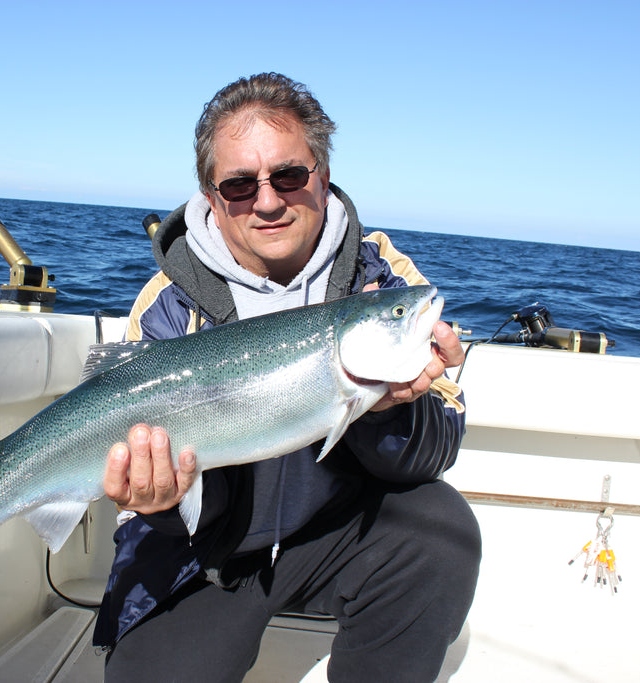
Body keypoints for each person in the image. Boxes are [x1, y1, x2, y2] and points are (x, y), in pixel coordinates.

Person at [92, 73, 480, 682]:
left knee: (441, 531)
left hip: (334, 534)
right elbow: (164, 488)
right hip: (200, 552)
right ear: (212, 195)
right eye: (240, 184)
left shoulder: (384, 283)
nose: (267, 201)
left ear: (322, 176)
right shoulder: (169, 303)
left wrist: (392, 413)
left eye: (289, 176)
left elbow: (436, 450)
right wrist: (162, 503)